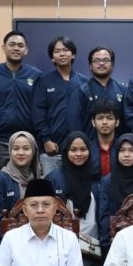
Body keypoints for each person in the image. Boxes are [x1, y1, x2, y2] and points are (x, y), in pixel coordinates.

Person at [44, 131, 107, 266]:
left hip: (92, 248)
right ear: (66, 152)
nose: (79, 154)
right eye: (73, 150)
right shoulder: (54, 179)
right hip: (61, 249)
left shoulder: (97, 179)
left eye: (83, 149)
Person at [0, 178, 84, 266]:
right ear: (25, 210)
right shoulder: (11, 238)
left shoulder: (69, 238)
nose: (40, 210)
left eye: (46, 204)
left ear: (55, 209)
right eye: (34, 205)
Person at [0, 31, 42, 169]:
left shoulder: (36, 75)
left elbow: (41, 109)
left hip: (28, 140)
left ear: (26, 50)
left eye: (20, 45)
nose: (16, 48)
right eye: (12, 44)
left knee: (28, 180)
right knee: (1, 180)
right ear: (4, 48)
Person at [0, 131, 40, 259]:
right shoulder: (1, 179)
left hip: (35, 250)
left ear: (33, 151)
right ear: (9, 151)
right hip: (6, 251)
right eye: (16, 148)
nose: (20, 153)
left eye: (26, 148)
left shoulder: (36, 178)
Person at [33, 36, 86, 176]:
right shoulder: (44, 82)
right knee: (52, 187)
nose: (62, 54)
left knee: (76, 186)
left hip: (77, 151)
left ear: (73, 54)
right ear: (52, 58)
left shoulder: (83, 82)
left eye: (65, 50)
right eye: (57, 51)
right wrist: (46, 140)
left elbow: (87, 116)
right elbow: (38, 113)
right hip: (51, 150)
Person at [68, 46, 126, 140]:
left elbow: (128, 122)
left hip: (118, 146)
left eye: (105, 60)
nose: (101, 63)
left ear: (112, 65)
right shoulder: (81, 92)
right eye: (97, 60)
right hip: (89, 145)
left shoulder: (123, 91)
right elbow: (74, 124)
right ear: (90, 66)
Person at [99, 133, 133, 218]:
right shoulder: (107, 181)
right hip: (113, 225)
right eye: (122, 150)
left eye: (132, 150)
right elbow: (103, 214)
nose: (126, 155)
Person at [89, 99, 119, 176]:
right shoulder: (87, 149)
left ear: (117, 122)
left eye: (109, 118)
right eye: (100, 118)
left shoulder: (123, 147)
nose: (104, 122)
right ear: (93, 122)